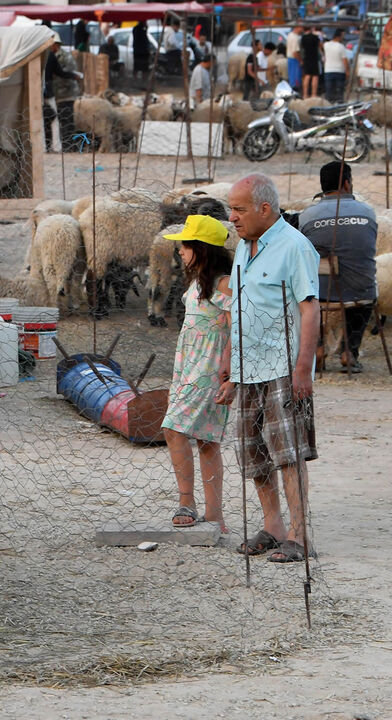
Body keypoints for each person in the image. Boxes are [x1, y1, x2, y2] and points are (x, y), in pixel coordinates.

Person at [224, 174, 321, 564]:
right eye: (230, 209)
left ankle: (299, 535)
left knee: (288, 452)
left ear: (265, 209)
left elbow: (310, 308)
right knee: (254, 452)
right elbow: (239, 307)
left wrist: (303, 367)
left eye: (239, 209)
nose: (232, 217)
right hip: (247, 367)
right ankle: (273, 527)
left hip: (282, 367)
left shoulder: (294, 247)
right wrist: (229, 360)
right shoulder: (243, 249)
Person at [161, 215, 234, 532]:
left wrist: (230, 370)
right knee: (206, 439)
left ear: (201, 249)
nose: (179, 250)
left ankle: (187, 502)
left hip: (208, 369)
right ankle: (214, 514)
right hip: (187, 367)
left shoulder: (223, 283)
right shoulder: (197, 283)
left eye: (185, 245)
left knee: (173, 428)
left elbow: (237, 325)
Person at [299, 161, 378, 373]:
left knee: (306, 295)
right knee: (368, 293)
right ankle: (349, 351)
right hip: (358, 290)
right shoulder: (367, 212)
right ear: (346, 184)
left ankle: (317, 347)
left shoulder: (307, 215)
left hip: (317, 291)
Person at [43, 39, 82, 153]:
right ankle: (55, 146)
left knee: (57, 119)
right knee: (54, 118)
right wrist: (73, 76)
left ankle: (56, 146)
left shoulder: (52, 55)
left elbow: (62, 73)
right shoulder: (50, 55)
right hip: (52, 91)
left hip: (63, 93)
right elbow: (61, 72)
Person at [323, 29, 348, 103]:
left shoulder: (326, 45)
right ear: (339, 37)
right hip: (339, 71)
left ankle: (328, 105)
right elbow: (345, 61)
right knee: (339, 92)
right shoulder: (341, 47)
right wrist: (347, 71)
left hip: (328, 70)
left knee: (329, 91)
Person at [301, 26, 322, 98]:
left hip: (306, 58)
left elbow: (302, 47)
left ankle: (305, 94)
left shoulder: (303, 38)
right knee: (315, 76)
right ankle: (314, 94)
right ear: (311, 29)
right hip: (314, 58)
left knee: (307, 76)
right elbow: (319, 46)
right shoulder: (315, 37)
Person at [286, 25, 304, 91]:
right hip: (294, 59)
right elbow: (295, 52)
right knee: (296, 79)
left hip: (291, 59)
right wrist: (300, 61)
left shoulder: (290, 35)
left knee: (292, 78)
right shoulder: (295, 38)